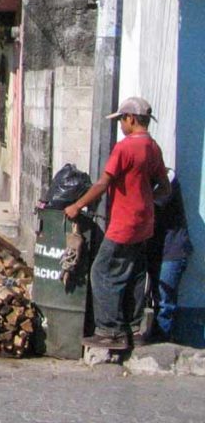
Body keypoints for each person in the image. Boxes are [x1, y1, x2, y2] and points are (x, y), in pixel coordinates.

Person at [65, 96, 171, 350]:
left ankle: (109, 330)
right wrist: (145, 200)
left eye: (122, 120)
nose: (121, 125)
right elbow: (164, 187)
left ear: (131, 119)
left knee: (102, 272)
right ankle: (134, 329)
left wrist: (77, 205)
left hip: (124, 223)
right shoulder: (153, 147)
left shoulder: (125, 148)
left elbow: (103, 183)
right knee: (134, 273)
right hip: (144, 222)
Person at [146, 175, 193, 342]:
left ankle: (162, 343)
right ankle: (157, 337)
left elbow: (153, 204)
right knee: (157, 298)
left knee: (165, 302)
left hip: (172, 251)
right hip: (155, 250)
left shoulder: (168, 178)